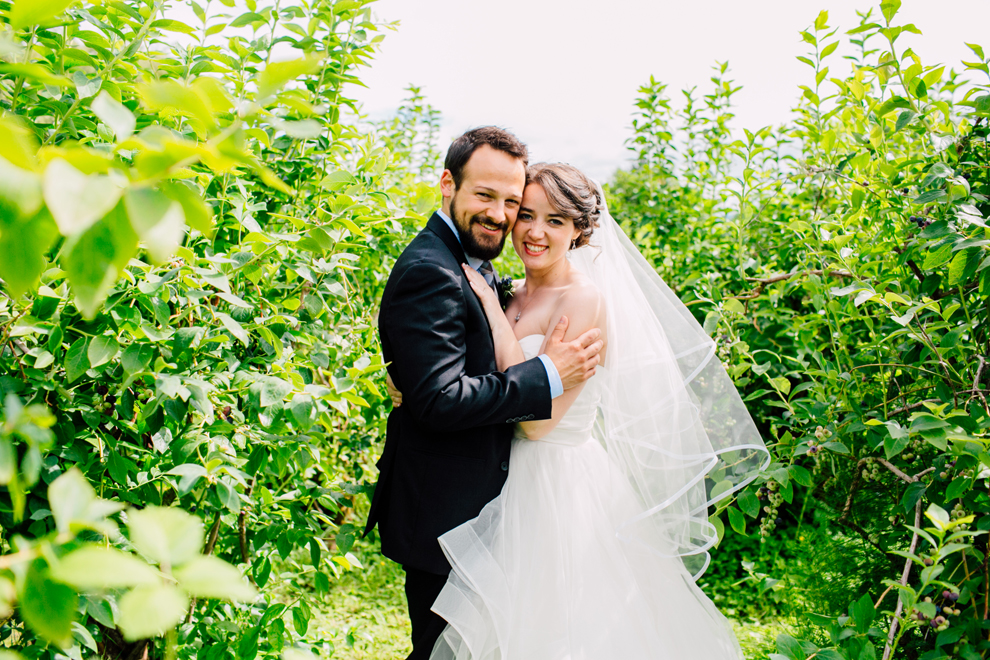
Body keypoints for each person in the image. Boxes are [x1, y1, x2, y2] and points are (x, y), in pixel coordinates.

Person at [392, 163, 769, 659]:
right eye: (525, 215)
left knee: (558, 629)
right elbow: (461, 368)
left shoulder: (583, 299)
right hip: (498, 482)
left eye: (555, 221)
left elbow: (536, 422)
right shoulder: (508, 290)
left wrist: (492, 313)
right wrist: (411, 380)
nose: (534, 231)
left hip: (557, 487)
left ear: (579, 230)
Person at [365, 128, 605, 660]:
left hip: (526, 498)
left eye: (512, 203)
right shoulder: (436, 267)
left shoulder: (481, 263)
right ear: (448, 185)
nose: (503, 216)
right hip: (448, 507)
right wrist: (546, 375)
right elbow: (440, 397)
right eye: (486, 196)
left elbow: (460, 357)